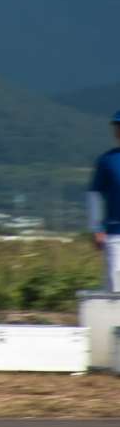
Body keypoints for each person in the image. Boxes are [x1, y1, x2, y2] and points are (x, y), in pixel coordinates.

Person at [92, 112, 120, 295]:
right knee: (115, 279)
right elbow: (94, 194)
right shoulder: (107, 161)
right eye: (117, 127)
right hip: (114, 233)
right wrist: (96, 227)